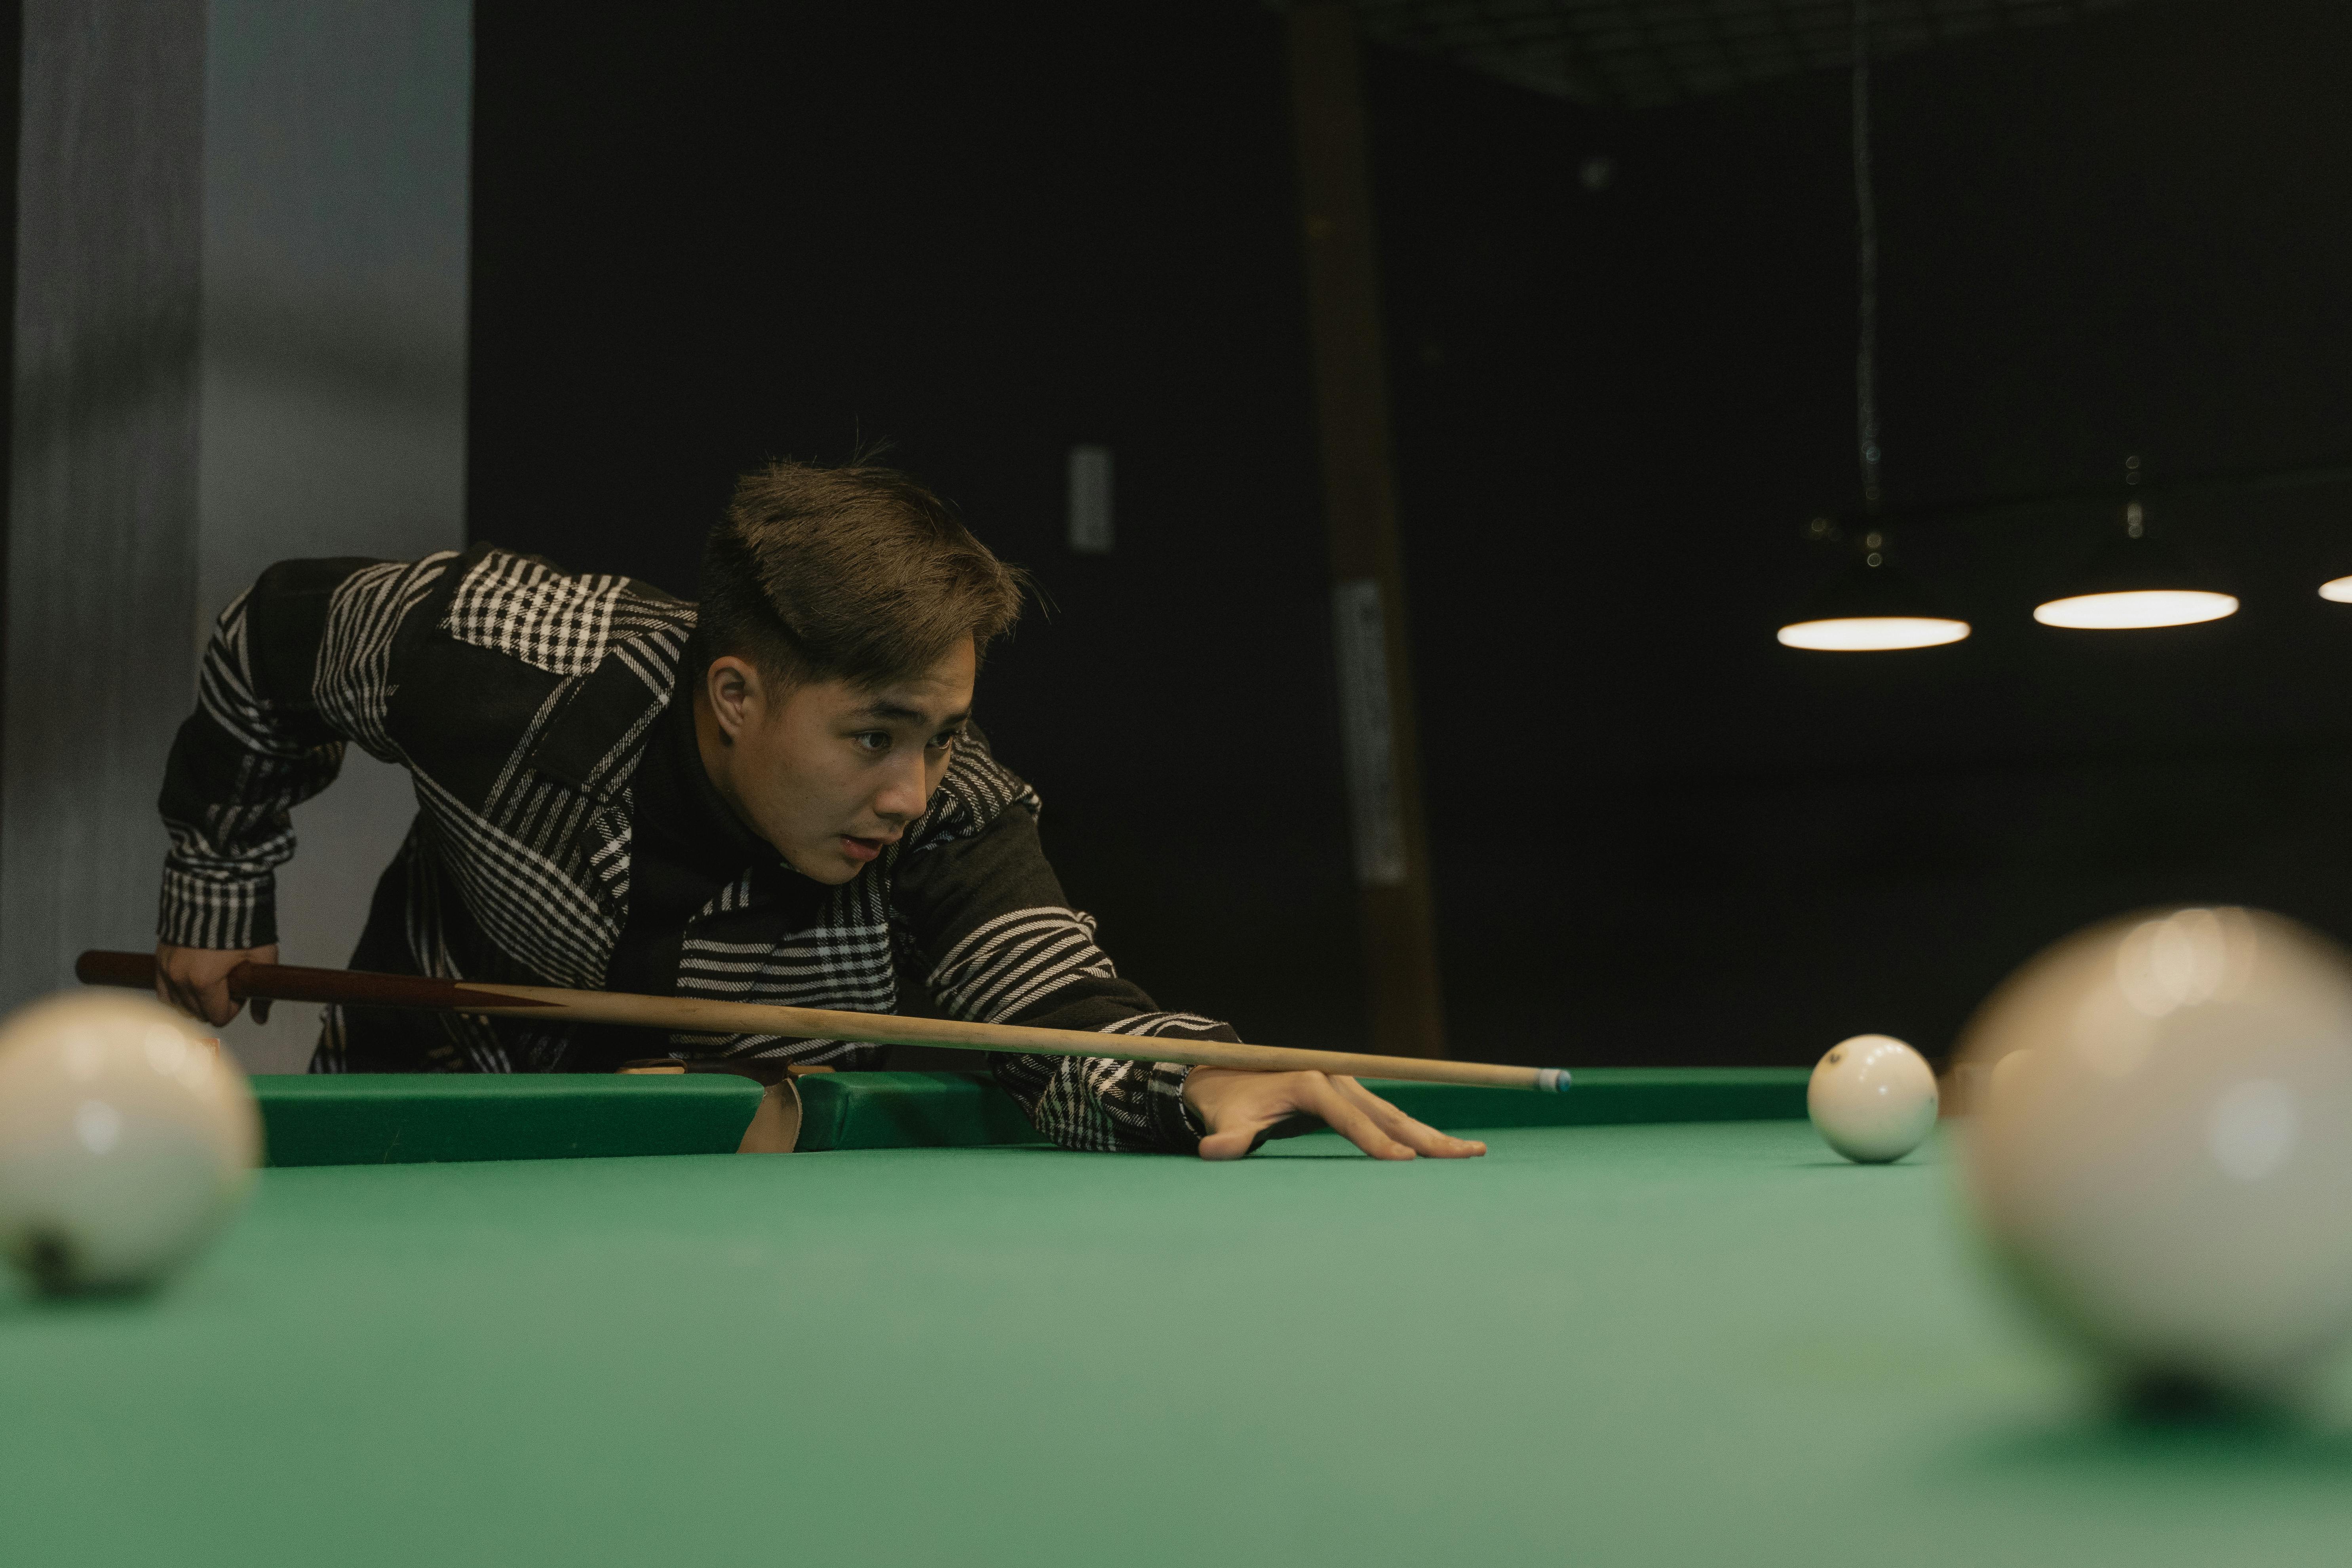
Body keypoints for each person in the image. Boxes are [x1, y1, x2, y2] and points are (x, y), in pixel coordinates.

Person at [152, 458, 1483, 1162]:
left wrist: (1197, 1066)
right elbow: (270, 644)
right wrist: (219, 883)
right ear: (735, 694)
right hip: (414, 1107)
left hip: (734, 1194)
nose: (908, 791)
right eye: (870, 737)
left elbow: (1058, 1004)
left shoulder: (954, 819)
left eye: (941, 734)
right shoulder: (506, 661)